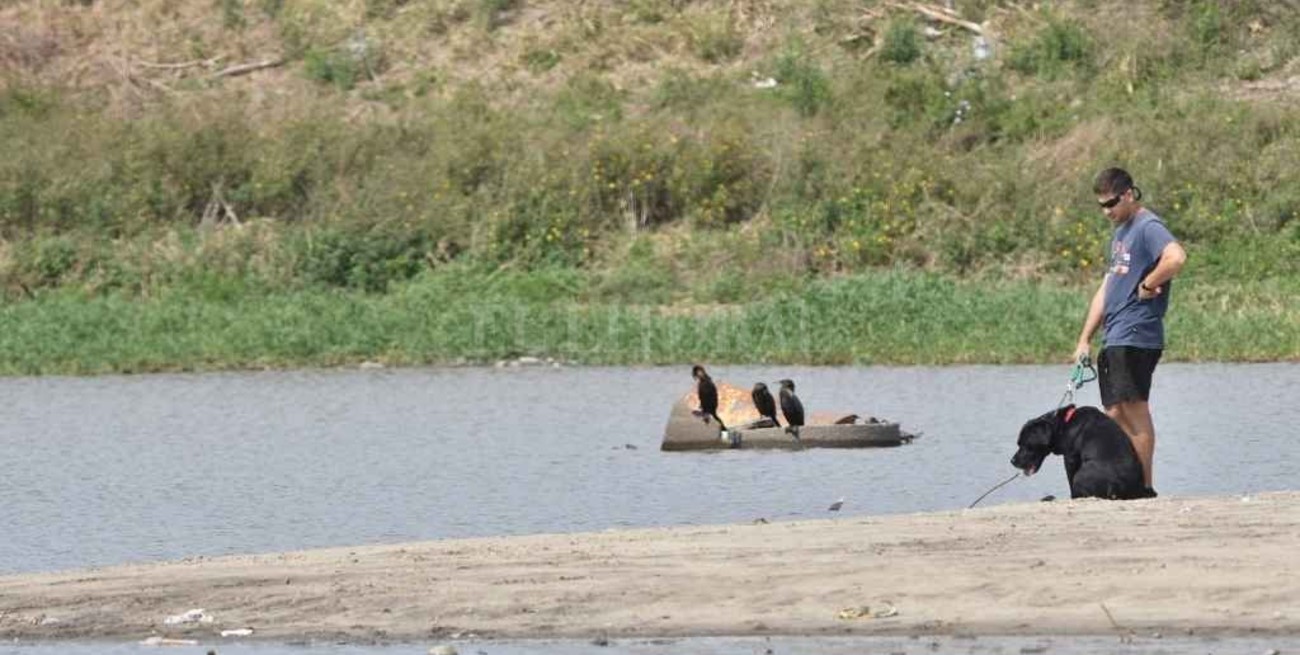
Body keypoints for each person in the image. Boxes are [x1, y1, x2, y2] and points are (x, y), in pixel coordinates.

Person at [1072, 168, 1187, 497]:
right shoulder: (1120, 232)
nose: (1107, 211)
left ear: (1128, 194)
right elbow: (1107, 287)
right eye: (1101, 206)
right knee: (1114, 412)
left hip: (1137, 333)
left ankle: (1144, 487)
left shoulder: (1147, 226)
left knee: (1135, 411)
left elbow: (1176, 257)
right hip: (1115, 334)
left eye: (1111, 203)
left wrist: (1150, 283)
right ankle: (1126, 480)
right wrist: (1084, 338)